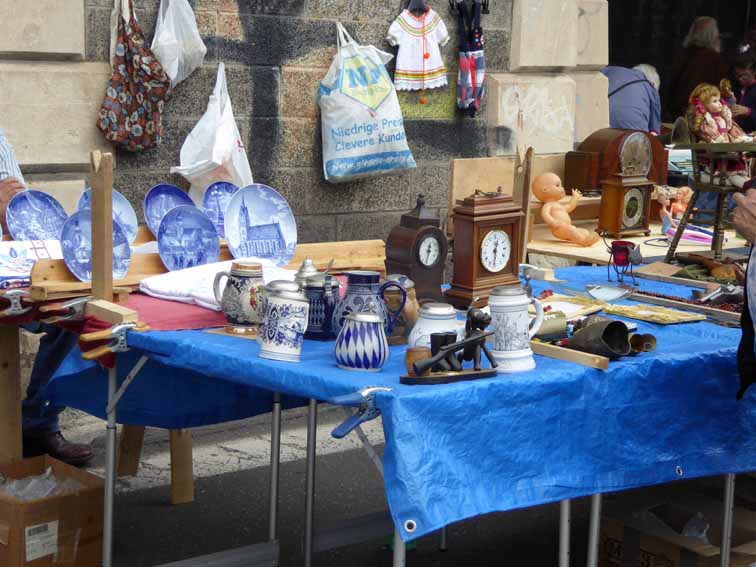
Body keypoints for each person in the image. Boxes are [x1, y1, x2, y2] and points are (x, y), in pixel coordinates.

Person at [0, 129, 93, 466]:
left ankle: (38, 421)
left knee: (72, 310)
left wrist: (13, 216)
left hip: (11, 264)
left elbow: (19, 206)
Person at [667, 17, 730, 119]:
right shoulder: (713, 58)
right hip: (701, 111)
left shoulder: (683, 53)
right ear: (712, 35)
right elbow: (721, 86)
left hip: (680, 108)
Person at [602, 64, 661, 133]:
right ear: (653, 83)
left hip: (599, 120)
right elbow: (654, 130)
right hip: (633, 132)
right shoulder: (650, 87)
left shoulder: (611, 70)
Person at [731, 46, 756, 133]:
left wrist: (748, 111)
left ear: (754, 72)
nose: (740, 79)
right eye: (737, 74)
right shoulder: (736, 88)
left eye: (745, 75)